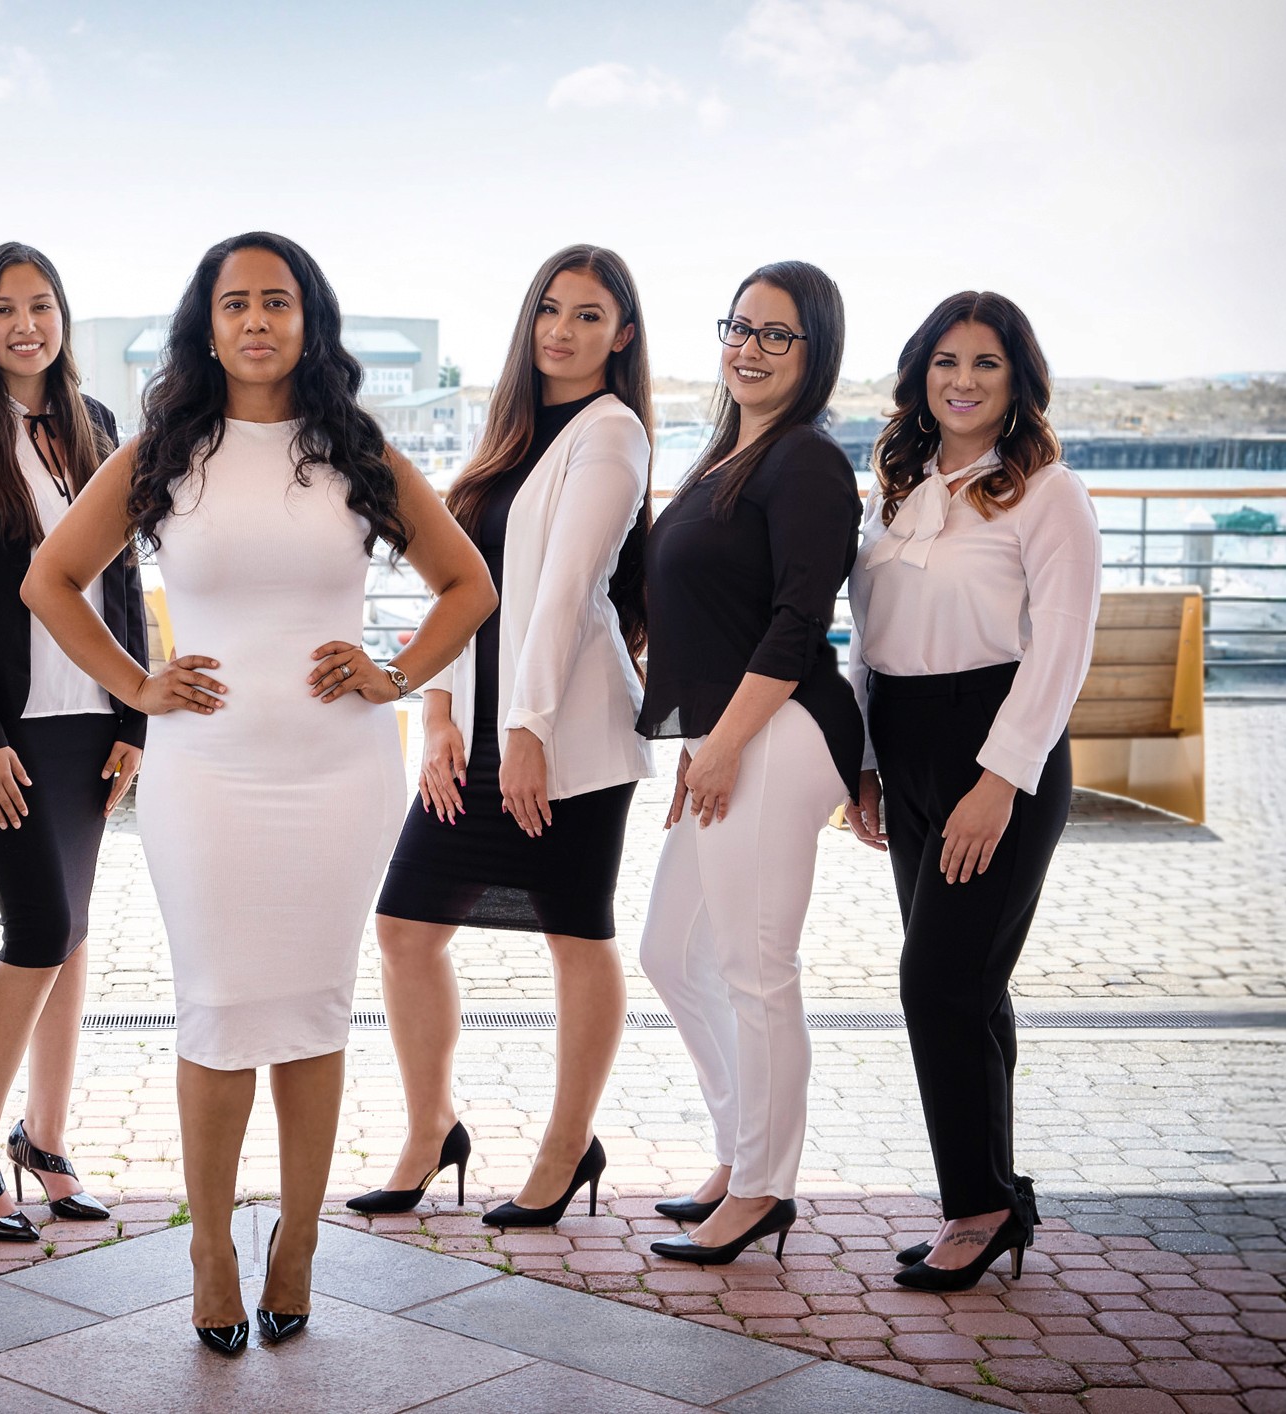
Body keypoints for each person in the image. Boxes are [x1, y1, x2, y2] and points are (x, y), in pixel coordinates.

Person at [21, 233, 494, 1354]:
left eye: (276, 301)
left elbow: (468, 582)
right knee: (223, 1007)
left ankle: (298, 1243)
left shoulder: (357, 449)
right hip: (209, 778)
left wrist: (399, 673)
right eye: (235, 303)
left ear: (307, 319)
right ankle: (210, 1247)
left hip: (338, 772)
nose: (256, 321)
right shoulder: (164, 451)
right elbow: (50, 578)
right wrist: (137, 684)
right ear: (207, 323)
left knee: (315, 1010)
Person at [354, 245, 654, 1226]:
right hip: (474, 734)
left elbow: (566, 592)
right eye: (550, 311)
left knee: (576, 935)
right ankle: (431, 1128)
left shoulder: (610, 436)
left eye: (589, 315)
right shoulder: (512, 434)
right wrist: (435, 714)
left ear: (624, 334)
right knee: (404, 930)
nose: (563, 331)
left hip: (563, 737)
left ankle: (569, 1145)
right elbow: (459, 583)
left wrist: (526, 730)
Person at [846, 291, 1098, 1290]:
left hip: (996, 749)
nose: (962, 380)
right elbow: (870, 638)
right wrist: (864, 758)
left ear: (1017, 380)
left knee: (935, 982)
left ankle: (975, 1205)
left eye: (985, 363)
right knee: (970, 987)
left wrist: (1002, 778)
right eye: (945, 361)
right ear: (920, 375)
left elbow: (1064, 649)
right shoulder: (900, 486)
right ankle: (997, 1196)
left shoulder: (1048, 493)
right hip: (904, 744)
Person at [635, 261, 862, 1266]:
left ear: (814, 353)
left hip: (781, 729)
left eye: (779, 334)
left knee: (756, 969)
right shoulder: (730, 453)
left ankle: (766, 1187)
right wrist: (699, 738)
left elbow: (797, 622)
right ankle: (742, 1150)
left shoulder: (806, 461)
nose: (751, 347)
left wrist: (721, 743)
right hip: (727, 733)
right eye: (740, 326)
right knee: (672, 952)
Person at [0, 244, 144, 1243]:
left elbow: (123, 578)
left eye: (41, 305)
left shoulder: (93, 425)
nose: (25, 324)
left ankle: (44, 1139)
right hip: (6, 731)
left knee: (75, 930)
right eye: (5, 308)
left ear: (63, 316)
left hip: (91, 717)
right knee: (37, 931)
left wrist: (135, 713)